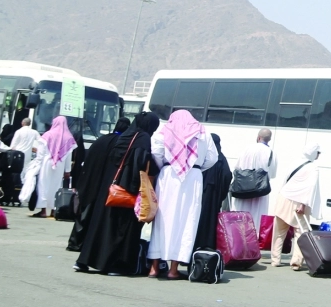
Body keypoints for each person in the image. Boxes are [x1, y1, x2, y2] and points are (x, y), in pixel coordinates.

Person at [74, 113, 160, 273]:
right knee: (120, 228)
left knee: (99, 226)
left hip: (109, 188)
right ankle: (114, 265)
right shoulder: (143, 138)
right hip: (126, 188)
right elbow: (140, 163)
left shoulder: (126, 135)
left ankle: (84, 261)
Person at [147, 110, 218, 280]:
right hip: (193, 179)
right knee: (186, 221)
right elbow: (213, 158)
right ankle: (173, 269)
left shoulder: (164, 131)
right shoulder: (202, 132)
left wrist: (167, 166)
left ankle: (154, 268)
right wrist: (196, 167)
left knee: (162, 220)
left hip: (168, 176)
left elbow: (156, 153)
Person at [270, 143, 322, 271]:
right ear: (314, 153)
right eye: (318, 153)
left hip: (284, 198)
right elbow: (310, 187)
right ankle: (296, 262)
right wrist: (303, 204)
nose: (319, 155)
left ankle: (275, 260)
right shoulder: (313, 168)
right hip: (299, 202)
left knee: (279, 231)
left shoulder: (295, 162)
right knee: (301, 232)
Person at [233, 128, 277, 235]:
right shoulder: (271, 153)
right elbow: (272, 174)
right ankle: (252, 243)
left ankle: (237, 240)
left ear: (258, 137)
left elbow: (237, 168)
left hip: (243, 188)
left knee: (239, 216)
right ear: (269, 139)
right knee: (256, 219)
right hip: (260, 191)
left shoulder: (247, 149)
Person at [193, 133, 233, 251]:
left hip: (199, 193)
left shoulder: (203, 156)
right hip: (214, 196)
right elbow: (227, 176)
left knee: (196, 220)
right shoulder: (221, 158)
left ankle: (193, 249)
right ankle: (208, 246)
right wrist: (221, 195)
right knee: (211, 221)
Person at [32, 115, 77, 218]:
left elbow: (41, 153)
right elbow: (68, 156)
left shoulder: (48, 135)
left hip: (47, 162)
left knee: (43, 185)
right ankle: (53, 210)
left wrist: (37, 165)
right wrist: (67, 171)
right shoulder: (68, 137)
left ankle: (43, 210)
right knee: (56, 186)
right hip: (60, 165)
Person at [2, 118, 41, 185]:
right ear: (29, 123)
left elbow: (13, 144)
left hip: (18, 154)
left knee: (17, 169)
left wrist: (11, 150)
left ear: (22, 123)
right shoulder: (34, 132)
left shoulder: (19, 131)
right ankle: (24, 183)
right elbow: (40, 141)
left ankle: (17, 183)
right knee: (26, 169)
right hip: (28, 154)